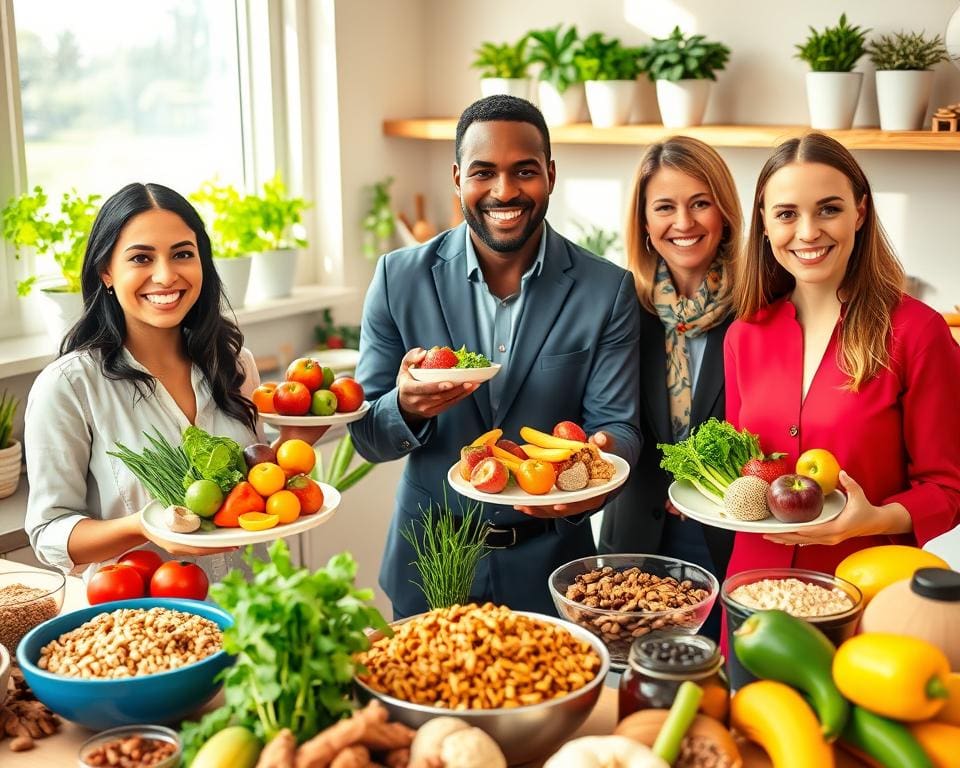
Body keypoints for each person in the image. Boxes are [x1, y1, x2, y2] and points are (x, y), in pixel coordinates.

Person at [349, 95, 643, 618]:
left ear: (550, 175)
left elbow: (619, 426)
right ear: (459, 177)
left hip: (554, 567)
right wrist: (408, 407)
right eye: (484, 172)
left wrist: (595, 472)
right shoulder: (399, 278)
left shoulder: (607, 290)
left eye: (524, 171)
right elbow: (367, 434)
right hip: (429, 558)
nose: (504, 191)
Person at [24, 182, 322, 584]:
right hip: (147, 621)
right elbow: (49, 533)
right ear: (106, 272)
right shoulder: (68, 387)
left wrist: (295, 437)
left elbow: (254, 491)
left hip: (253, 605)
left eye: (183, 254)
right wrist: (143, 527)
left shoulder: (234, 363)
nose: (165, 276)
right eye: (141, 258)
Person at [724, 132, 960, 580]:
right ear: (765, 222)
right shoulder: (744, 335)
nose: (808, 231)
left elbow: (948, 489)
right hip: (753, 589)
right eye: (787, 214)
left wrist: (874, 518)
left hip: (865, 588)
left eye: (829, 209)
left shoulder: (917, 332)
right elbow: (745, 471)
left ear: (861, 212)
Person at [599, 136, 742, 641]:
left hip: (731, 537)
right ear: (644, 221)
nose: (683, 223)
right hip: (637, 539)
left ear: (724, 212)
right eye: (665, 207)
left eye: (700, 203)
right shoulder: (618, 308)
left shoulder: (762, 306)